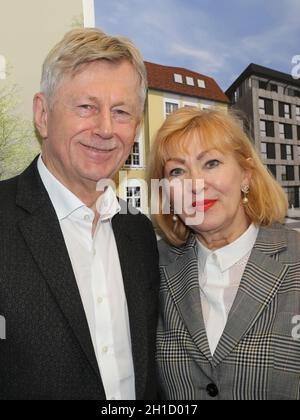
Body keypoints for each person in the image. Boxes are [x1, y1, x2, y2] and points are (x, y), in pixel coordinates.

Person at [0, 28, 160, 400]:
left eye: (121, 112)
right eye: (87, 107)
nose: (105, 128)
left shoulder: (138, 232)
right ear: (43, 114)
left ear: (135, 128)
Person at [149, 107, 300, 400]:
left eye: (211, 163)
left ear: (245, 174)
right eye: (177, 171)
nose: (195, 184)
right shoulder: (152, 266)